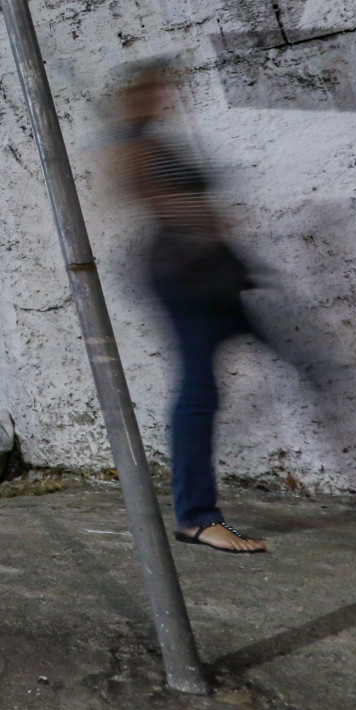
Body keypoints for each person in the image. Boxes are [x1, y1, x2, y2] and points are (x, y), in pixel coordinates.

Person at [114, 60, 269, 554]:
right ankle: (197, 518)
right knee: (199, 390)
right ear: (137, 97)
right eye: (156, 91)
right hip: (185, 275)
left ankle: (197, 514)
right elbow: (145, 195)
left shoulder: (156, 142)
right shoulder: (134, 146)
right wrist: (203, 224)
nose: (168, 97)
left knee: (308, 362)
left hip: (214, 271)